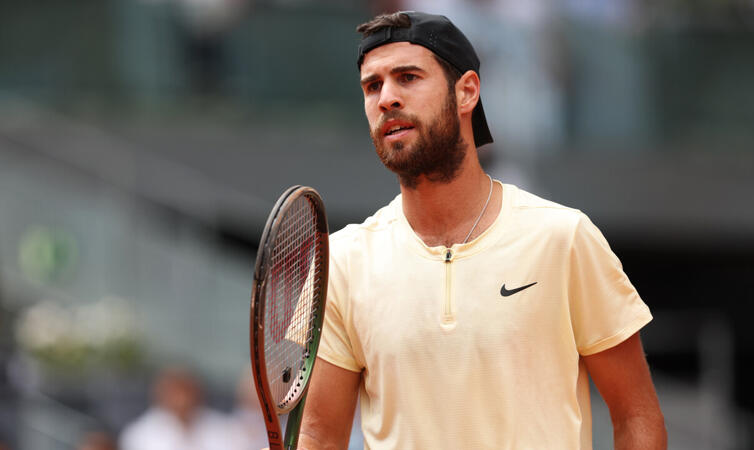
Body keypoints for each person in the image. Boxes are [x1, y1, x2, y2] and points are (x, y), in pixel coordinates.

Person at [299, 11, 666, 449]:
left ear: (467, 91)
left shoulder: (564, 238)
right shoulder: (340, 263)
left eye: (408, 77)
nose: (386, 98)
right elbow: (319, 436)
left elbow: (636, 414)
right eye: (372, 86)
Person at [118, 367, 233, 450]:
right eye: (175, 393)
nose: (182, 400)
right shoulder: (139, 434)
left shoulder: (223, 428)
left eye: (187, 392)